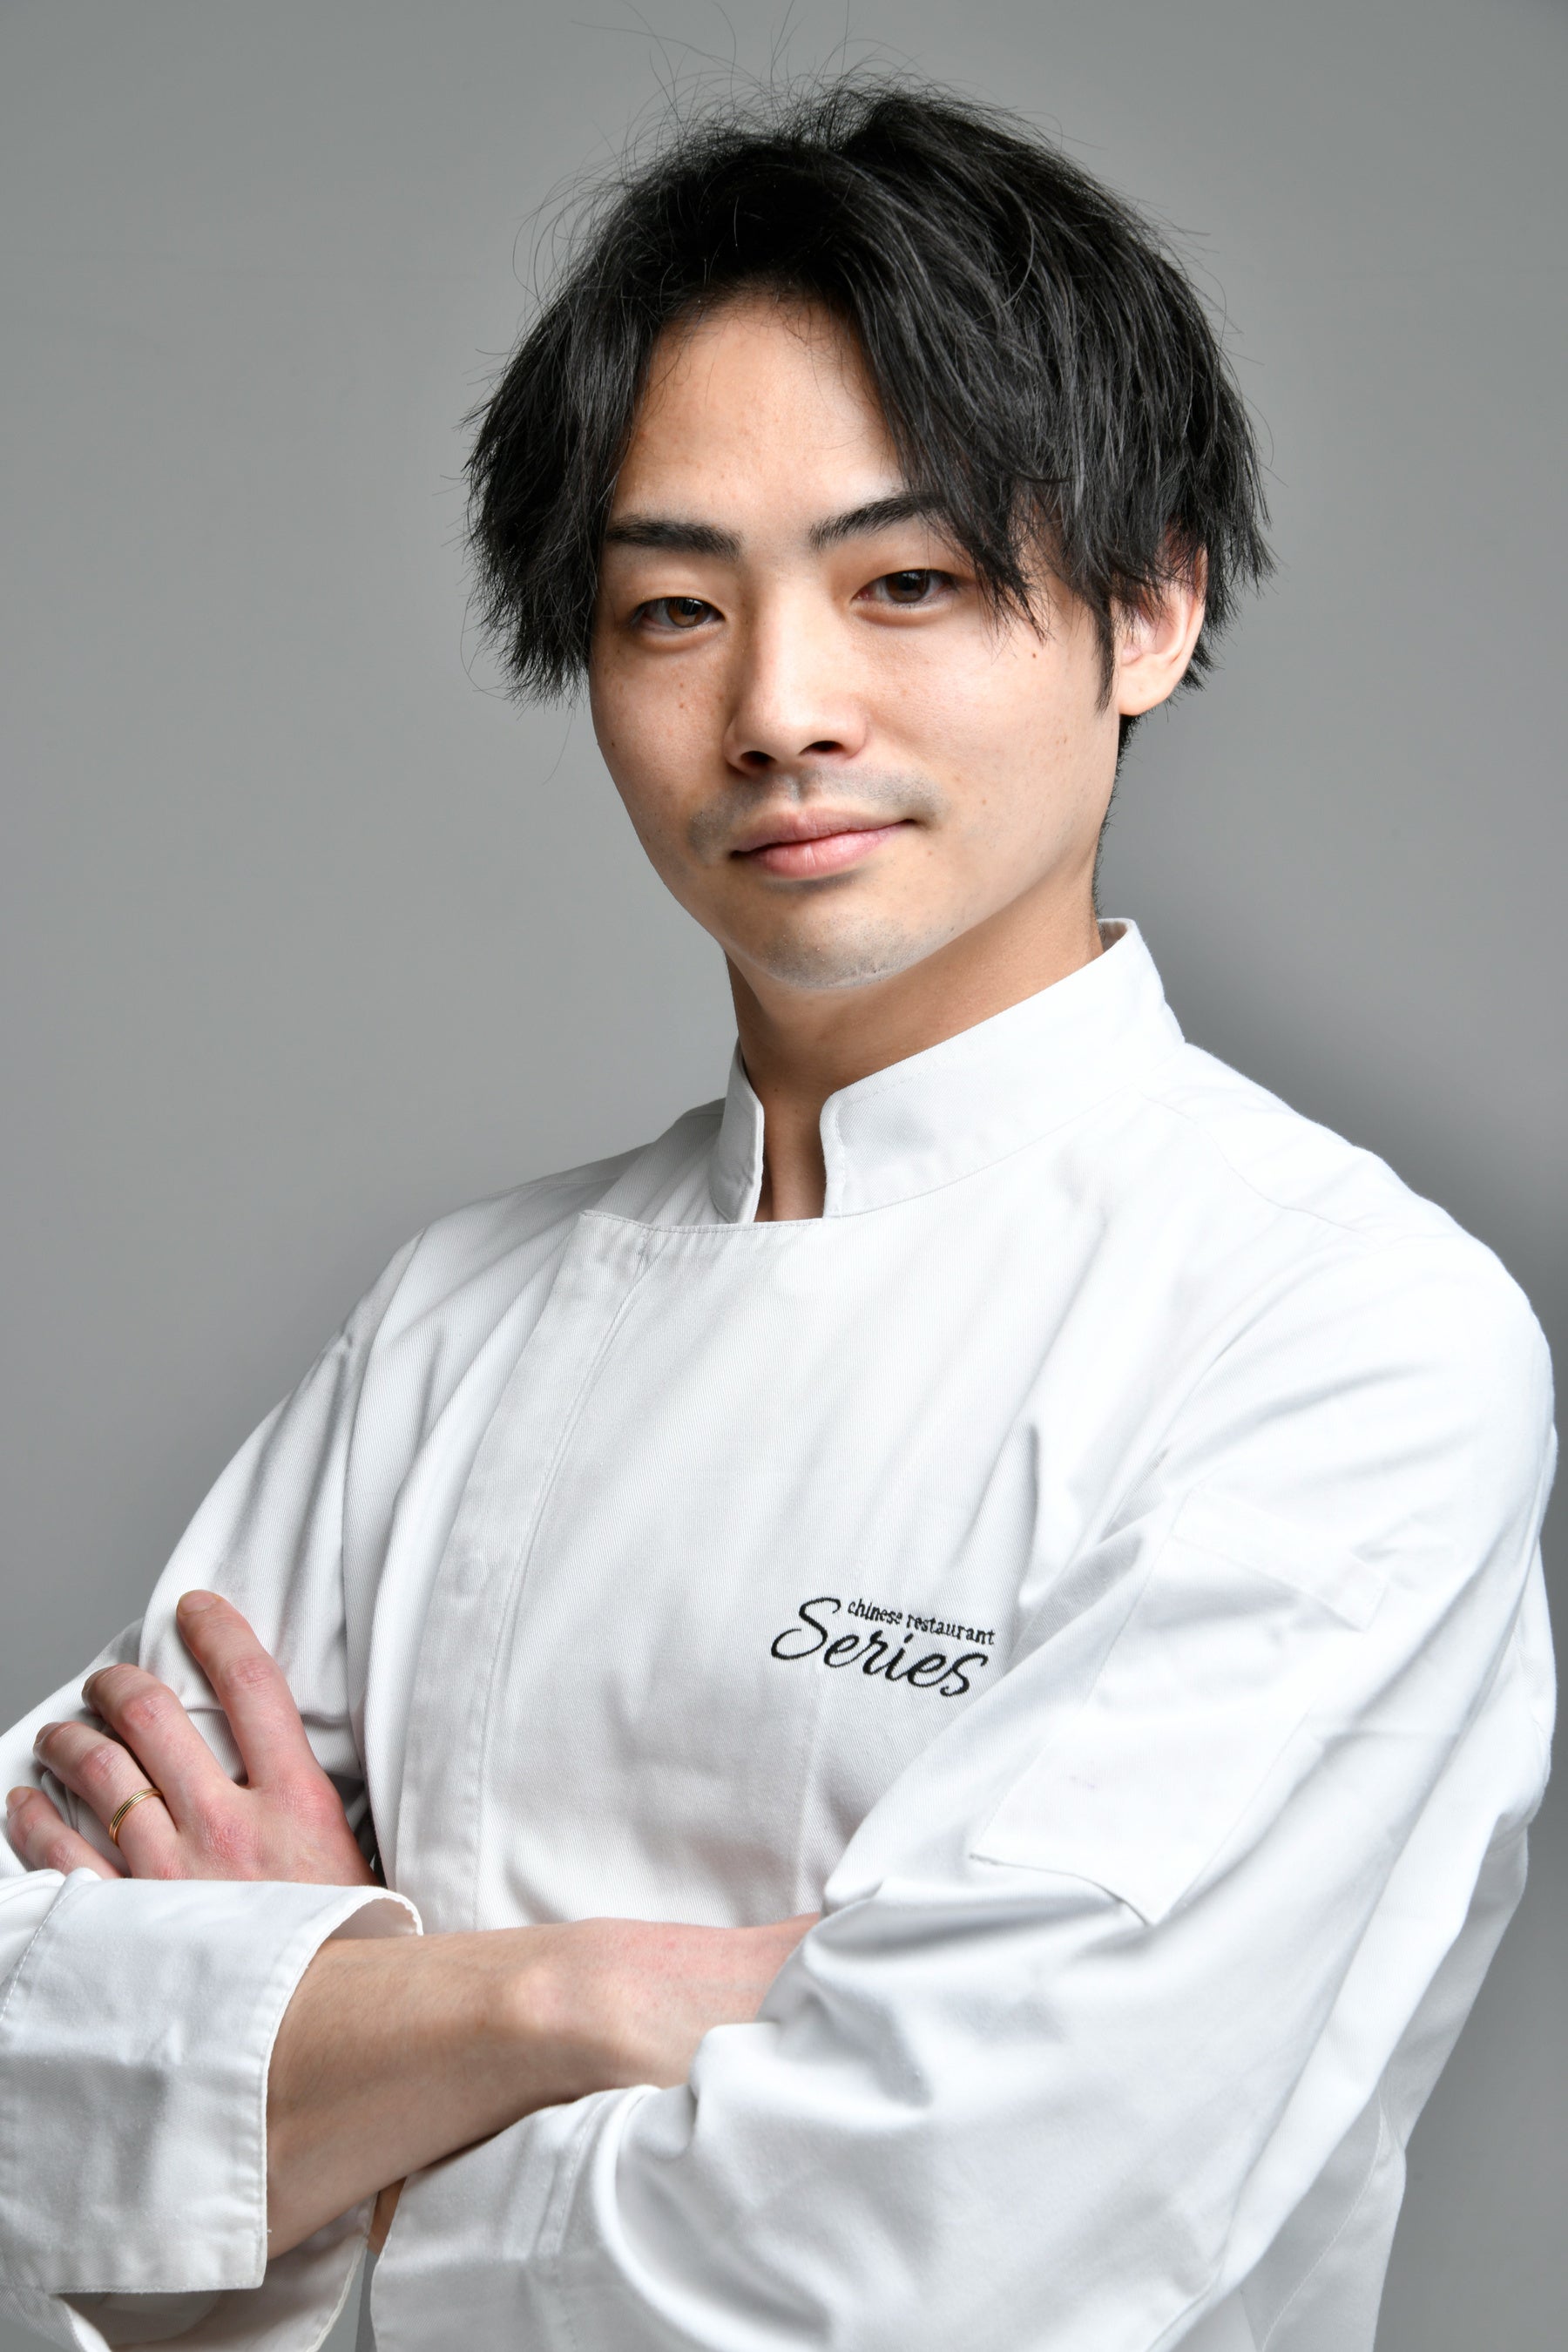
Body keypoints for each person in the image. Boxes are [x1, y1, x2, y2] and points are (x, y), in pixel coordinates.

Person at [0, 78, 1554, 2352]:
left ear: (1150, 603)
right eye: (671, 607)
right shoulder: (455, 1319)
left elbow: (913, 2260)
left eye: (906, 581)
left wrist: (298, 2089)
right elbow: (25, 2057)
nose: (779, 707)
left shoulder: (1341, 1336)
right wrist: (570, 1995)